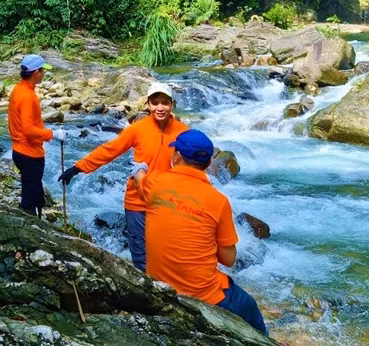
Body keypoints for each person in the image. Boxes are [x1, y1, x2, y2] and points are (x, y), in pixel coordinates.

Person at [143, 129, 268, 336]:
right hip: (202, 295)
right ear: (209, 163)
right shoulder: (219, 201)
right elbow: (228, 260)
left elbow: (141, 180)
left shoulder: (153, 182)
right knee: (249, 306)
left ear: (176, 156)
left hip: (159, 286)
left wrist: (139, 170)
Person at [58, 82, 188, 271]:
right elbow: (110, 150)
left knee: (165, 252)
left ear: (172, 104)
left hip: (167, 202)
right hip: (137, 201)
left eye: (165, 103)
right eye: (155, 103)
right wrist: (78, 168)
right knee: (141, 256)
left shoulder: (183, 132)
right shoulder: (138, 129)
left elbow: (194, 164)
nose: (160, 108)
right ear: (148, 105)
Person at [8, 54, 67, 218]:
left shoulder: (18, 90)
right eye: (43, 71)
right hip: (30, 154)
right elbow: (28, 130)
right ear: (36, 73)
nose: (44, 74)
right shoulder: (28, 96)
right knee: (31, 201)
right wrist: (53, 134)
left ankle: (34, 221)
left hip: (19, 151)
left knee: (34, 194)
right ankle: (30, 227)